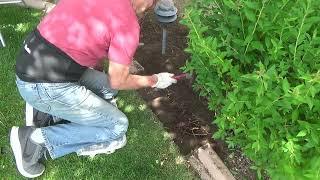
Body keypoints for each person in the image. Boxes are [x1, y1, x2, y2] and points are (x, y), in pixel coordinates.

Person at [9, 0, 177, 178]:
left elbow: (85, 34)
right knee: (117, 125)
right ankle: (33, 140)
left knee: (107, 90)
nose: (151, 7)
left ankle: (42, 111)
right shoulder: (127, 24)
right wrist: (155, 80)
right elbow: (118, 80)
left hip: (33, 63)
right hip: (43, 84)